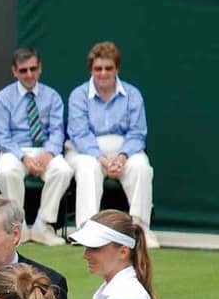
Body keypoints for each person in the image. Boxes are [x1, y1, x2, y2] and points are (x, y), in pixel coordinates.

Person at [65, 42, 159, 249]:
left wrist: (122, 157)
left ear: (116, 69)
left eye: (108, 68)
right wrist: (102, 159)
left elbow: (137, 132)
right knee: (88, 168)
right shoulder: (78, 95)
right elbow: (79, 134)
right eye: (98, 68)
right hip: (86, 150)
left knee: (142, 167)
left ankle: (140, 230)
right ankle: (87, 229)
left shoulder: (133, 95)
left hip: (124, 149)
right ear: (91, 70)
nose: (103, 73)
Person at [0, 47, 71, 247]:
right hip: (15, 150)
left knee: (63, 170)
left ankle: (42, 226)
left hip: (44, 150)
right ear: (14, 71)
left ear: (40, 68)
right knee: (7, 172)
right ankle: (17, 227)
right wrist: (23, 157)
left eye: (33, 69)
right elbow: (1, 137)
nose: (29, 74)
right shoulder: (3, 98)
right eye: (23, 70)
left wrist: (48, 154)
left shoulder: (52, 96)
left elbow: (57, 131)